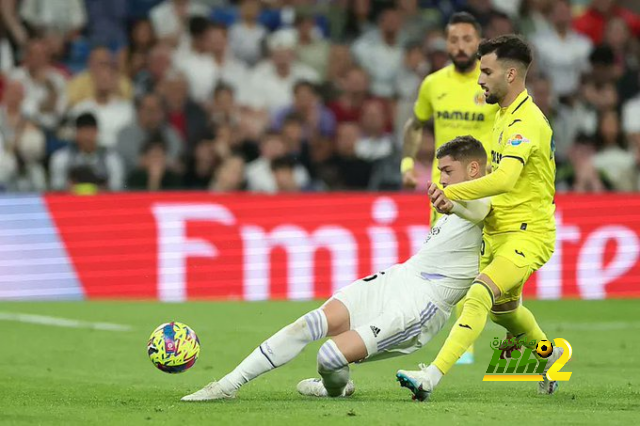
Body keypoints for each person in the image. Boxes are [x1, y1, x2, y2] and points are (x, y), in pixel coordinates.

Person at [181, 136, 491, 401]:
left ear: (474, 169)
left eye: (448, 171)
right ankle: (226, 385)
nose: (442, 179)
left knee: (328, 356)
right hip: (399, 277)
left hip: (420, 306)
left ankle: (334, 389)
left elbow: (480, 210)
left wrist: (454, 203)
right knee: (307, 324)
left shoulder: (487, 201)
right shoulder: (452, 199)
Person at [396, 35, 562, 402]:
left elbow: (504, 180)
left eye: (486, 71)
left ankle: (430, 377)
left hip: (527, 233)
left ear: (512, 73)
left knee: (479, 293)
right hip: (497, 230)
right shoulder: (504, 116)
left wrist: (450, 191)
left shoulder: (526, 122)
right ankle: (551, 358)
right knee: (506, 313)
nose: (480, 79)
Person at [400, 12, 500, 365]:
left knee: (488, 260)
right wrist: (408, 162)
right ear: (446, 43)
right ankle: (457, 339)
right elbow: (416, 124)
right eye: (454, 39)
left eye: (467, 39)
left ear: (478, 41)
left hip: (486, 186)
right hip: (445, 189)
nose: (460, 46)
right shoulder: (433, 84)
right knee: (446, 263)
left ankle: (487, 336)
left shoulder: (492, 82)